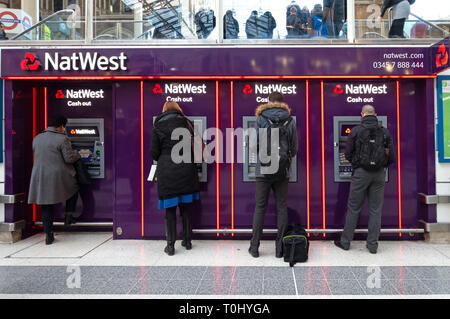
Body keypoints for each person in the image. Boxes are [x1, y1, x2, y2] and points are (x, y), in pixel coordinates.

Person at [334, 105, 396, 254]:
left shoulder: (356, 131)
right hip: (379, 174)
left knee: (354, 208)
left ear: (362, 114)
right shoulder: (384, 131)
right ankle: (372, 245)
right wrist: (382, 166)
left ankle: (346, 242)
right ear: (375, 114)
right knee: (376, 210)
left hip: (361, 174)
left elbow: (347, 153)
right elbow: (392, 156)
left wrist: (357, 164)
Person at [248, 92, 298, 258]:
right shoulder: (290, 120)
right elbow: (294, 149)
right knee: (282, 206)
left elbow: (254, 146)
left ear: (269, 102)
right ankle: (279, 250)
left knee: (260, 207)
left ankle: (254, 248)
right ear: (283, 103)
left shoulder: (261, 118)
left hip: (263, 170)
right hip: (282, 171)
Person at [150, 101, 200, 256]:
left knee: (170, 210)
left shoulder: (158, 126)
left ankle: (170, 246)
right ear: (179, 110)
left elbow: (154, 152)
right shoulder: (188, 123)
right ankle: (187, 241)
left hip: (168, 172)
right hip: (186, 170)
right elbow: (197, 149)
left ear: (164, 110)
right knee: (185, 208)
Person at [28, 115, 81, 245]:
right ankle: (68, 216)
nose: (64, 129)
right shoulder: (62, 139)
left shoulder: (37, 138)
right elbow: (69, 158)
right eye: (64, 126)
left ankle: (48, 234)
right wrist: (78, 154)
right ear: (60, 126)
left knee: (46, 205)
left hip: (40, 175)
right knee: (74, 188)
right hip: (58, 176)